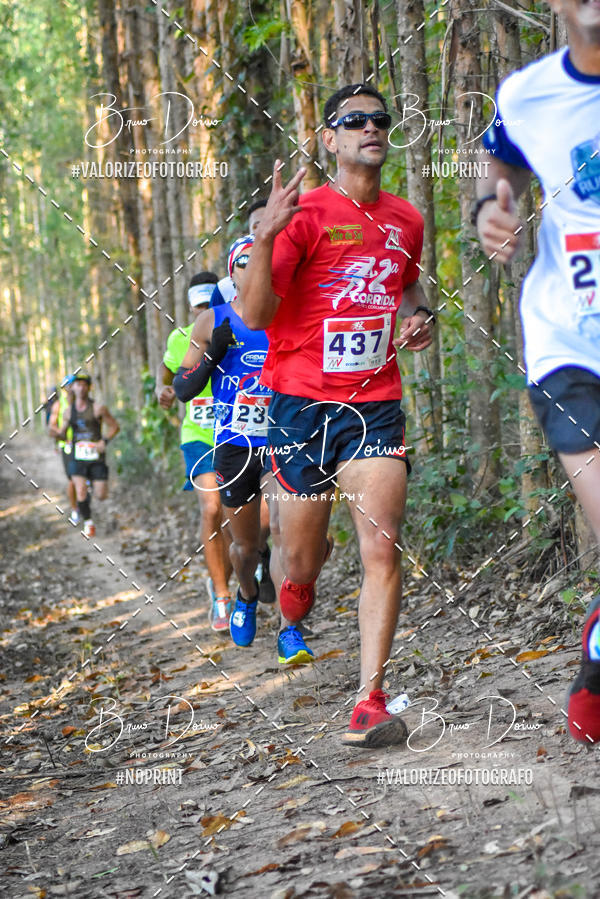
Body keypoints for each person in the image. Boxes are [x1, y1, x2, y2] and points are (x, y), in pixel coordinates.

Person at [240, 83, 435, 746]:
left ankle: (369, 700)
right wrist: (266, 236)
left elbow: (407, 285)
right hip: (301, 405)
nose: (370, 128)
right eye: (354, 122)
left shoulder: (406, 219)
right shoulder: (305, 215)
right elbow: (256, 315)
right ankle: (292, 601)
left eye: (380, 119)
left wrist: (417, 317)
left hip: (373, 404)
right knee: (300, 562)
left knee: (382, 544)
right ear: (329, 140)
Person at [475, 0, 600, 744]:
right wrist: (493, 208)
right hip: (568, 342)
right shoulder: (527, 93)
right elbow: (502, 163)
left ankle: (596, 656)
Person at [173, 236, 278, 649]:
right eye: (243, 263)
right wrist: (213, 355)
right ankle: (246, 594)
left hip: (281, 440)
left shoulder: (287, 314)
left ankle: (291, 625)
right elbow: (183, 388)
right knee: (243, 547)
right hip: (235, 445)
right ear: (232, 274)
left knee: (283, 526)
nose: (253, 269)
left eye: (260, 261)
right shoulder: (211, 321)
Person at [156, 271, 234, 631]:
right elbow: (166, 371)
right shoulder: (180, 338)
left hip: (236, 435)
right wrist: (163, 391)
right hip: (199, 436)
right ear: (191, 308)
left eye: (209, 304)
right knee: (212, 507)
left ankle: (237, 573)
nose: (204, 311)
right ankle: (222, 596)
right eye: (198, 306)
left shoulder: (238, 329)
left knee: (237, 517)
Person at [55, 373, 120, 538]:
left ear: (89, 388)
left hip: (96, 457)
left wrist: (104, 441)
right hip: (78, 456)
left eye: (84, 385)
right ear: (73, 388)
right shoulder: (68, 412)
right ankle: (88, 523)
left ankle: (90, 484)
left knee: (101, 495)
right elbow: (62, 433)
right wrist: (56, 434)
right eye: (78, 385)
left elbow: (114, 427)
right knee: (80, 490)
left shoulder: (98, 408)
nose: (81, 388)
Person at [209, 199, 267, 308]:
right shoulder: (224, 289)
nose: (263, 230)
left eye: (268, 223)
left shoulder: (292, 277)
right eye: (244, 262)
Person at [47, 375, 79, 525]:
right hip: (68, 447)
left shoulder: (85, 403)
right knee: (72, 479)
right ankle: (75, 510)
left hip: (84, 446)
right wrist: (61, 435)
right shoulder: (59, 405)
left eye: (75, 385)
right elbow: (52, 426)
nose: (72, 388)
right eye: (69, 386)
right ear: (64, 388)